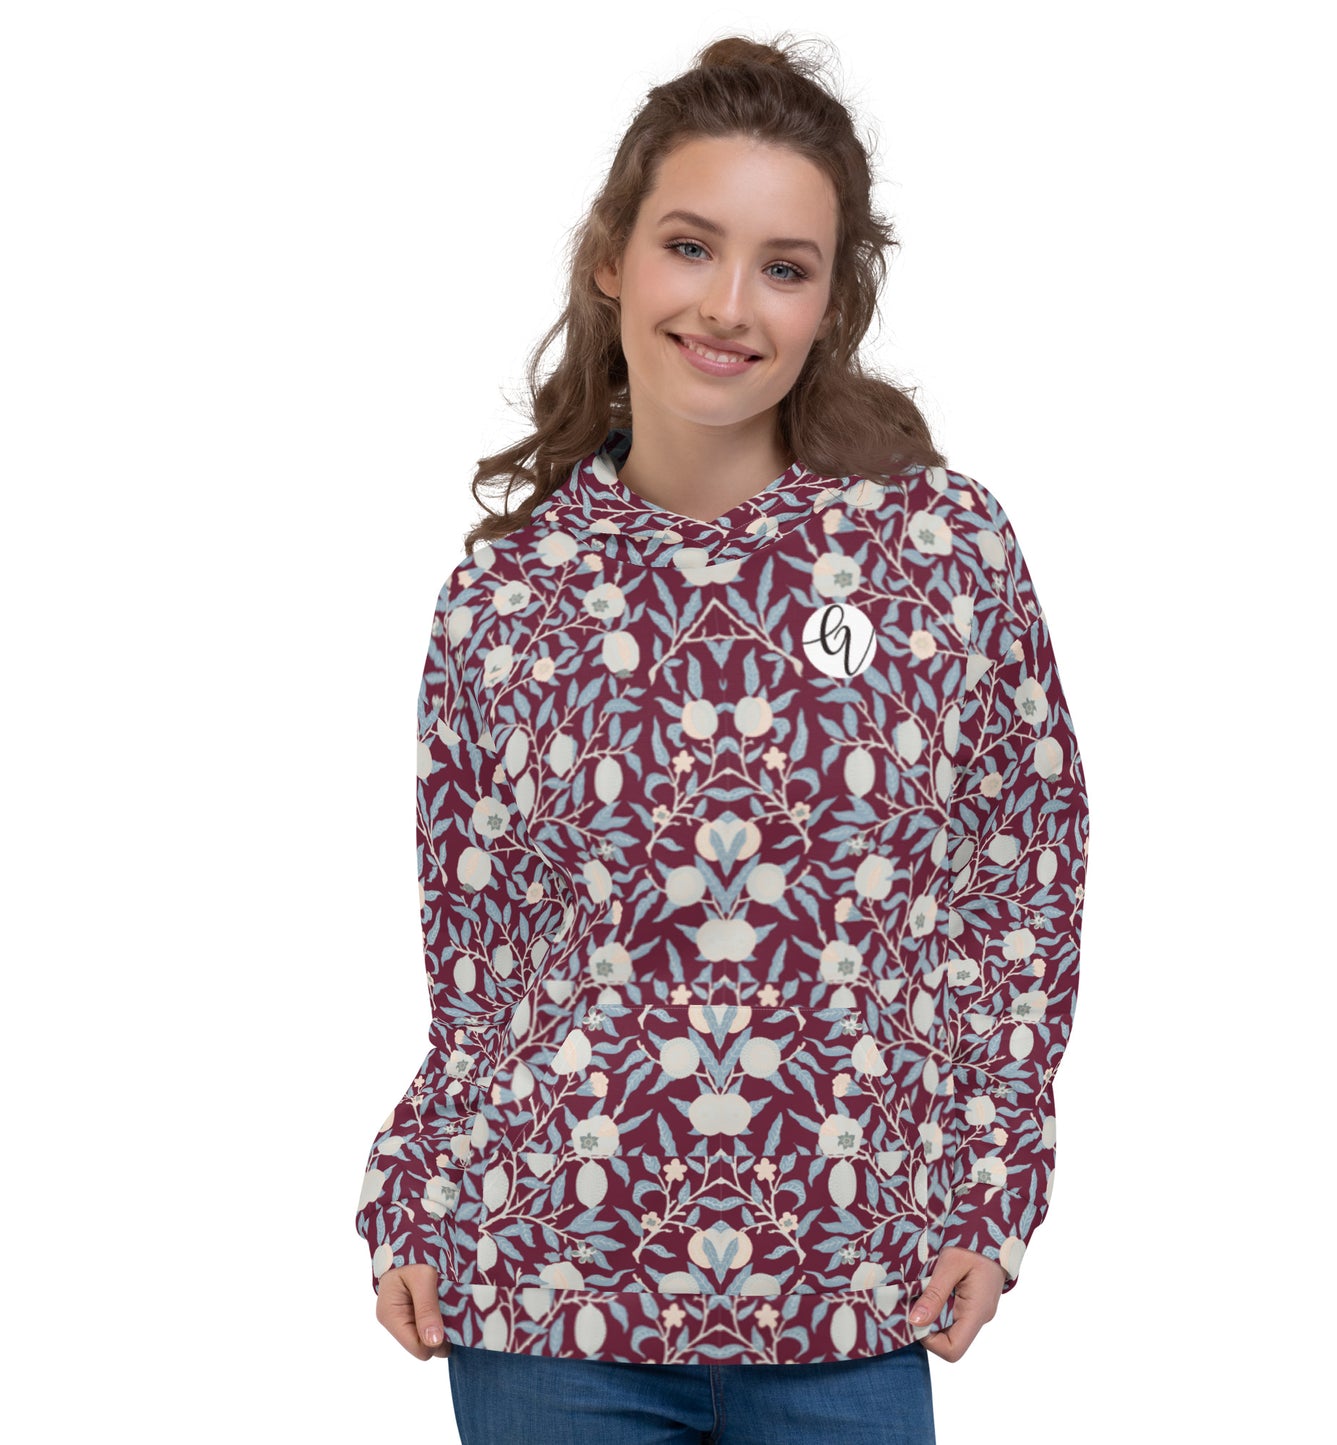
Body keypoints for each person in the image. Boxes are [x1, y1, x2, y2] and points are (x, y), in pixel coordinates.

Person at [354, 31, 1090, 1445]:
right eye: (691, 246)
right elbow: (482, 963)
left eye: (785, 266)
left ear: (832, 303)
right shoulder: (506, 595)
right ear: (612, 259)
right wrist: (419, 1193)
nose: (729, 305)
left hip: (852, 1291)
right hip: (542, 1295)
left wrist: (994, 1190)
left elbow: (1020, 877)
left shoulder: (937, 549)